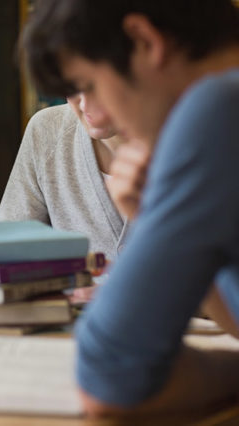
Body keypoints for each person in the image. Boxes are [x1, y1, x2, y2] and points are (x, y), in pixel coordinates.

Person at [21, 0, 239, 417]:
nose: (94, 113)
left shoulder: (219, 104)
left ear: (144, 42)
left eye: (90, 82)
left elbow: (109, 379)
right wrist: (161, 220)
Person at [0, 94, 128, 261]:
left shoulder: (169, 144)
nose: (84, 104)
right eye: (70, 85)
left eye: (93, 85)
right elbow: (6, 250)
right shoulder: (47, 130)